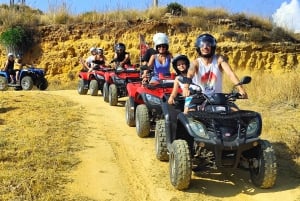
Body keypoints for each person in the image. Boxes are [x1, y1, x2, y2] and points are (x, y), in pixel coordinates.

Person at [182, 33, 247, 100]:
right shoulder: (195, 63)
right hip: (199, 98)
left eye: (208, 45)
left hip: (217, 98)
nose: (205, 47)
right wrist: (186, 88)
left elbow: (230, 74)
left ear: (212, 47)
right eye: (202, 45)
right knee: (189, 110)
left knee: (234, 109)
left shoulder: (220, 60)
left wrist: (241, 89)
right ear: (199, 48)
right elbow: (189, 75)